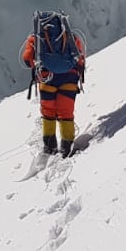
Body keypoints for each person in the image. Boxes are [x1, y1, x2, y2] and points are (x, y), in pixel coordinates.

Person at [22, 10, 87, 156]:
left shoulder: (35, 39)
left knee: (48, 112)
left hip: (47, 79)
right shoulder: (70, 35)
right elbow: (79, 56)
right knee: (66, 112)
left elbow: (27, 59)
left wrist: (39, 63)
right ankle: (67, 145)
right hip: (69, 78)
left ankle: (49, 146)